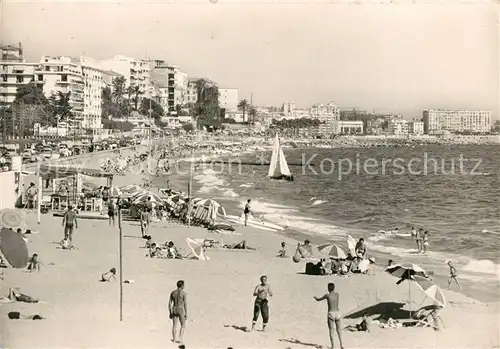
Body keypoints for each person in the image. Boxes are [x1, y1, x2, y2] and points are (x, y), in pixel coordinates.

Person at [314, 282, 345, 349]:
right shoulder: (337, 294)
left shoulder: (327, 295)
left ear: (328, 288)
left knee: (331, 330)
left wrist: (316, 298)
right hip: (337, 312)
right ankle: (342, 345)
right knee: (339, 330)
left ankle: (333, 346)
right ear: (334, 288)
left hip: (331, 313)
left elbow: (318, 300)